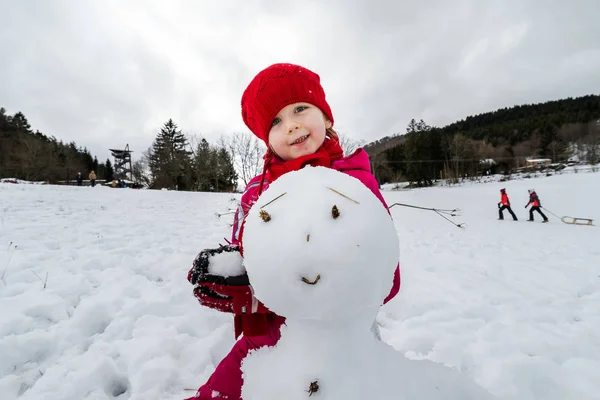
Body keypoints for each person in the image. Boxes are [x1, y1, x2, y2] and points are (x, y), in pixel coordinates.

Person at [185, 63, 401, 400]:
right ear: (266, 139)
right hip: (262, 343)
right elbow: (249, 254)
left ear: (327, 118)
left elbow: (386, 282)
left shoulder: (352, 184)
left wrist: (272, 294)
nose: (292, 124)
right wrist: (231, 279)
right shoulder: (256, 195)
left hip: (336, 345)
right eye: (276, 121)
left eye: (300, 108)